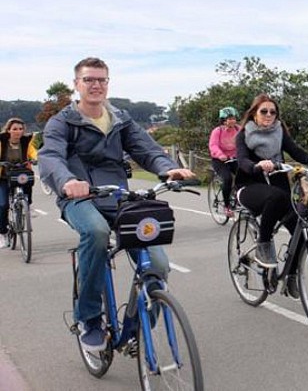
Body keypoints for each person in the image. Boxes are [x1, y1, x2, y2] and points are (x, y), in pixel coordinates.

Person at [38, 57, 195, 352]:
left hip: (118, 196)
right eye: (89, 80)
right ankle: (89, 320)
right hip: (79, 196)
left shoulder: (121, 119)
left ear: (108, 83)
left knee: (158, 265)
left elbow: (146, 150)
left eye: (101, 79)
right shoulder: (61, 122)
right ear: (77, 84)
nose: (96, 85)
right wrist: (67, 181)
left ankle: (137, 329)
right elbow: (51, 157)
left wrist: (167, 167)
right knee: (97, 233)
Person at [235, 93, 308, 299]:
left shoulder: (279, 132)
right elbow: (242, 161)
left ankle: (291, 276)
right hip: (250, 186)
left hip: (279, 191)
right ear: (254, 113)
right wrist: (257, 166)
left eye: (273, 111)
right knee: (275, 196)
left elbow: (296, 151)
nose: (269, 115)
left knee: (301, 228)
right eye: (264, 111)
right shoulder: (243, 134)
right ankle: (263, 245)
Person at [0, 118, 37, 248]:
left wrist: (34, 159)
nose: (18, 132)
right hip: (3, 176)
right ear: (8, 130)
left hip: (20, 172)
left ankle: (28, 205)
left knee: (28, 181)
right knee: (3, 204)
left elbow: (32, 152)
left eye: (21, 129)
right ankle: (3, 233)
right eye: (15, 129)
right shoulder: (2, 141)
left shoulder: (26, 141)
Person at [209, 106, 241, 217]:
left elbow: (244, 143)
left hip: (234, 158)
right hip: (220, 160)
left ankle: (239, 199)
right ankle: (227, 206)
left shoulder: (239, 130)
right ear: (223, 120)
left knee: (244, 176)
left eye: (234, 118)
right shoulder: (217, 131)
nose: (232, 121)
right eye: (229, 118)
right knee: (227, 178)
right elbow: (213, 146)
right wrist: (220, 155)